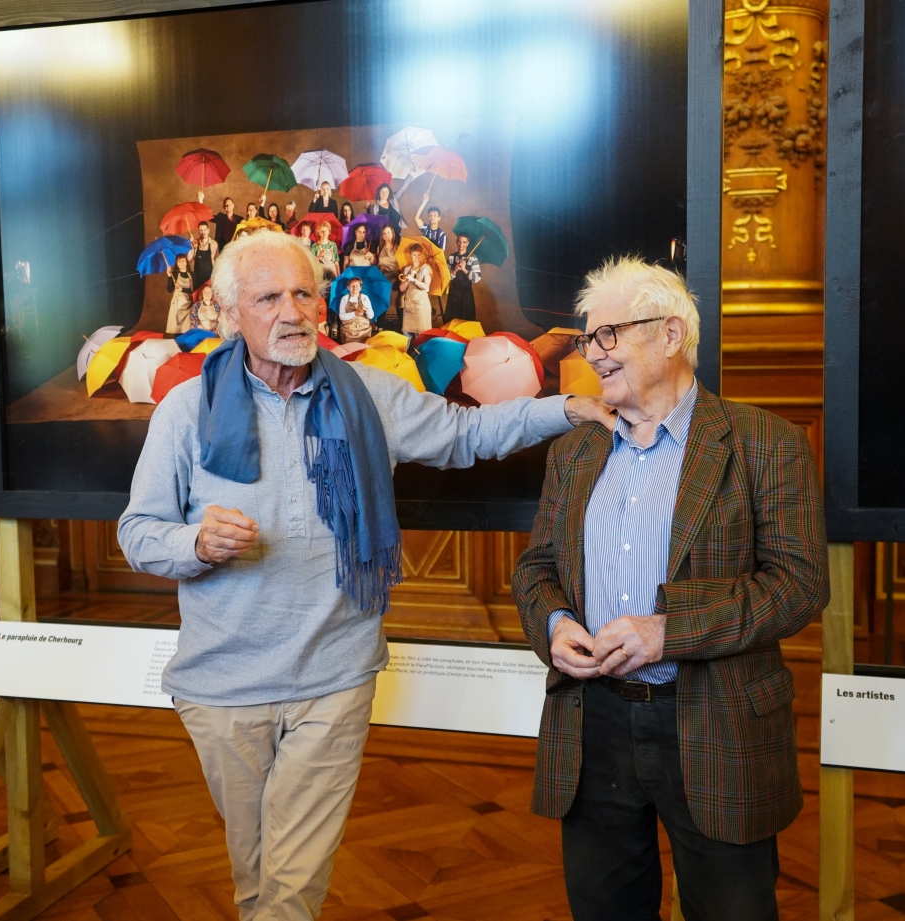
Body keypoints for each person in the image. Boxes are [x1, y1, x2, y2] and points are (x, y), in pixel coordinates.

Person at [117, 230, 616, 921]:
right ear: (229, 314)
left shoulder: (368, 396)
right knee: (256, 873)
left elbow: (466, 434)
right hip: (221, 686)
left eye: (303, 292)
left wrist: (566, 408)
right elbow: (138, 534)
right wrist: (196, 541)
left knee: (289, 889)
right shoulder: (183, 412)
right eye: (268, 297)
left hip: (335, 676)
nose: (293, 310)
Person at [512, 256, 829, 921]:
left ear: (671, 334)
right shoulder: (575, 453)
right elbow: (536, 568)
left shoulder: (764, 442)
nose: (593, 353)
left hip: (714, 721)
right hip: (591, 720)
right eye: (587, 337)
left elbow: (798, 584)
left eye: (609, 335)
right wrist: (556, 624)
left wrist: (668, 632)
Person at [444, 234, 480, 322]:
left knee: (466, 319)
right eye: (459, 241)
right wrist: (454, 271)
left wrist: (464, 270)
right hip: (453, 293)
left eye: (464, 242)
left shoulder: (473, 258)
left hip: (466, 294)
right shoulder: (451, 257)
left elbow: (477, 278)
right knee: (451, 319)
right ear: (457, 242)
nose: (461, 244)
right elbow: (447, 277)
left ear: (467, 243)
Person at [398, 243, 432, 333]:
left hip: (421, 307)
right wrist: (408, 280)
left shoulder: (426, 268)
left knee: (421, 336)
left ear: (422, 255)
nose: (416, 257)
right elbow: (401, 288)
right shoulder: (407, 269)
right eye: (414, 255)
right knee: (407, 335)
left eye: (419, 255)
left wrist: (414, 280)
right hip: (409, 306)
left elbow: (426, 287)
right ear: (410, 255)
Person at [374, 225, 401, 331]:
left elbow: (401, 264)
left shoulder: (397, 247)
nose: (386, 235)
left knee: (397, 297)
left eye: (388, 232)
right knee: (381, 296)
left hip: (395, 276)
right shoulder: (380, 248)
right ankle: (380, 325)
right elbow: (378, 264)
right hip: (383, 275)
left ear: (393, 234)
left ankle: (400, 325)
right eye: (384, 233)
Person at [165, 252, 196, 334]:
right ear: (176, 263)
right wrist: (169, 276)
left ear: (186, 262)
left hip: (189, 305)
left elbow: (194, 291)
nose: (181, 263)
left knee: (187, 330)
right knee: (177, 330)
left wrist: (182, 289)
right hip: (177, 306)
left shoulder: (192, 275)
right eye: (179, 261)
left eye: (183, 260)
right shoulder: (174, 274)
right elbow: (169, 290)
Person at [337, 276, 374, 344]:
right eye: (352, 285)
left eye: (357, 285)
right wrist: (354, 313)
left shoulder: (365, 298)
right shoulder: (344, 298)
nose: (355, 287)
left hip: (364, 330)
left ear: (360, 287)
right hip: (349, 330)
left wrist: (366, 309)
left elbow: (371, 316)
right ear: (348, 287)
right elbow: (341, 316)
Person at [190, 221, 218, 291]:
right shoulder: (194, 243)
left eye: (205, 230)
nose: (203, 232)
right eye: (201, 230)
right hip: (197, 278)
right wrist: (190, 244)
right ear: (198, 232)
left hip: (210, 278)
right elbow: (188, 258)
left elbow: (217, 262)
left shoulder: (214, 244)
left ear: (208, 230)